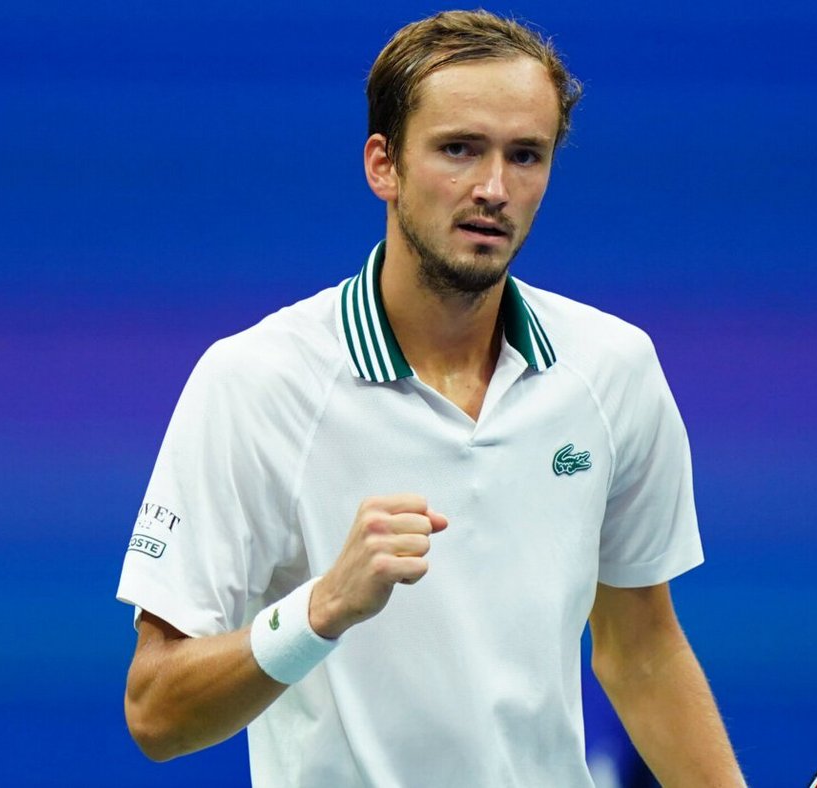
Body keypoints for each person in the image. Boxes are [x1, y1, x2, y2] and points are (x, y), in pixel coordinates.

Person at [117, 9, 745, 787]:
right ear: (383, 165)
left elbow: (641, 652)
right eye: (459, 149)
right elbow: (156, 711)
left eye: (526, 156)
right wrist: (320, 609)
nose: (494, 189)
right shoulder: (256, 382)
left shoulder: (613, 369)